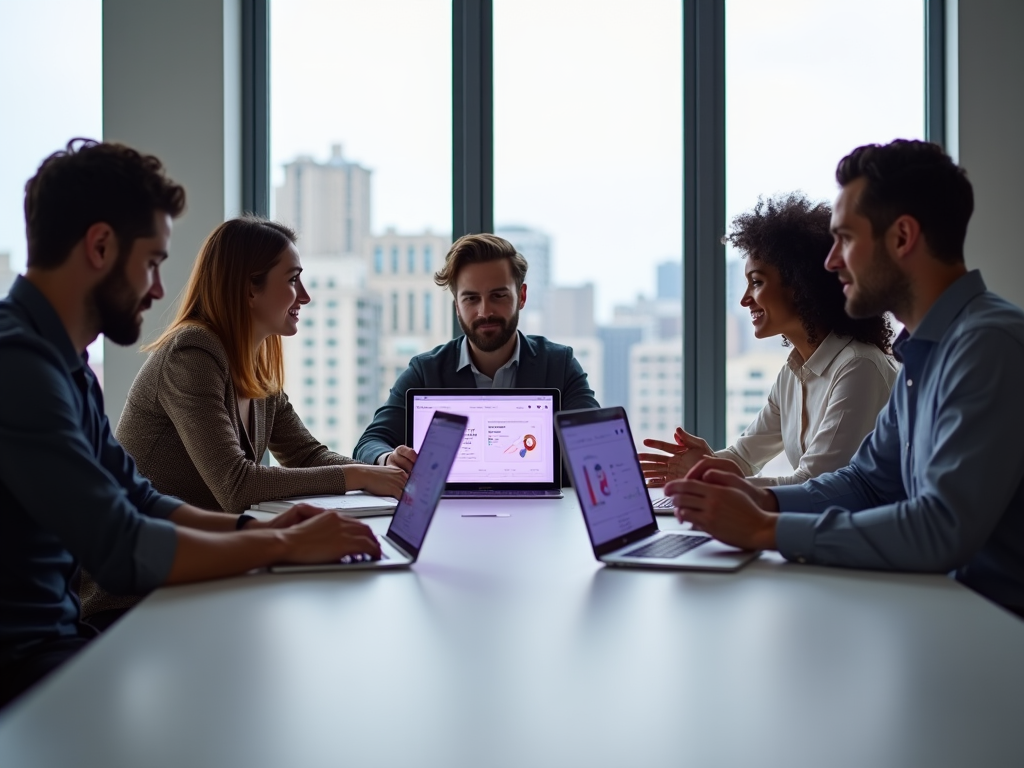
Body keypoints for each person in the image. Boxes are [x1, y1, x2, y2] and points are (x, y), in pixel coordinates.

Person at [0, 140, 382, 709]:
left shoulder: (68, 366)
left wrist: (268, 537)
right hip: (29, 660)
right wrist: (281, 543)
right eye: (152, 263)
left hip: (58, 639)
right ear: (100, 246)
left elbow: (138, 498)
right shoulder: (20, 369)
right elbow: (121, 545)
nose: (158, 289)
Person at [666, 139, 1024, 616]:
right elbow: (866, 483)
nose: (831, 262)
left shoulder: (987, 345)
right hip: (948, 611)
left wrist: (763, 529)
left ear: (901, 237)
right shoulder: (925, 353)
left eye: (846, 239)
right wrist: (757, 497)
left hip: (996, 631)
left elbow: (941, 528)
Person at [78, 217, 407, 625]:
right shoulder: (191, 354)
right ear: (249, 288)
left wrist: (380, 468)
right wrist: (357, 476)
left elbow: (306, 453)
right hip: (135, 596)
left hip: (202, 573)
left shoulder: (254, 365)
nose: (304, 296)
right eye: (292, 280)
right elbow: (236, 485)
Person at [640, 193, 897, 487]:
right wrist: (704, 467)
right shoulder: (793, 374)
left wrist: (710, 480)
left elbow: (815, 485)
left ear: (802, 285)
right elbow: (744, 457)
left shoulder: (858, 367)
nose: (744, 299)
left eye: (757, 282)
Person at [353, 233, 599, 477]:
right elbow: (370, 443)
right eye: (471, 298)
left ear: (521, 297)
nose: (485, 312)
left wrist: (618, 459)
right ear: (457, 305)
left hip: (546, 511)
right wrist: (388, 459)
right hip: (449, 512)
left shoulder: (560, 364)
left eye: (498, 296)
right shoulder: (426, 370)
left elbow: (596, 442)